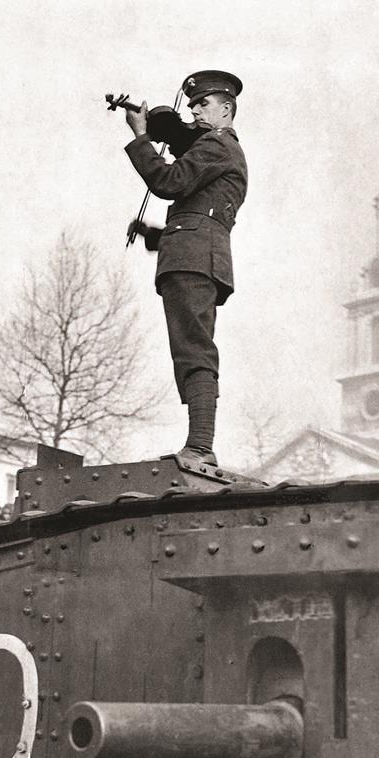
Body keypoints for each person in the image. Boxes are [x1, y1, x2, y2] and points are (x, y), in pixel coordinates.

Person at [124, 70, 247, 466]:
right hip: (194, 257)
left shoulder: (217, 145)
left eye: (202, 104)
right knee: (189, 349)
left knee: (193, 350)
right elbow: (196, 217)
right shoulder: (212, 147)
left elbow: (168, 182)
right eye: (191, 104)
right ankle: (199, 444)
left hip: (194, 261)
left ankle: (200, 446)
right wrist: (153, 235)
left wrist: (142, 137)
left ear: (226, 109)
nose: (192, 110)